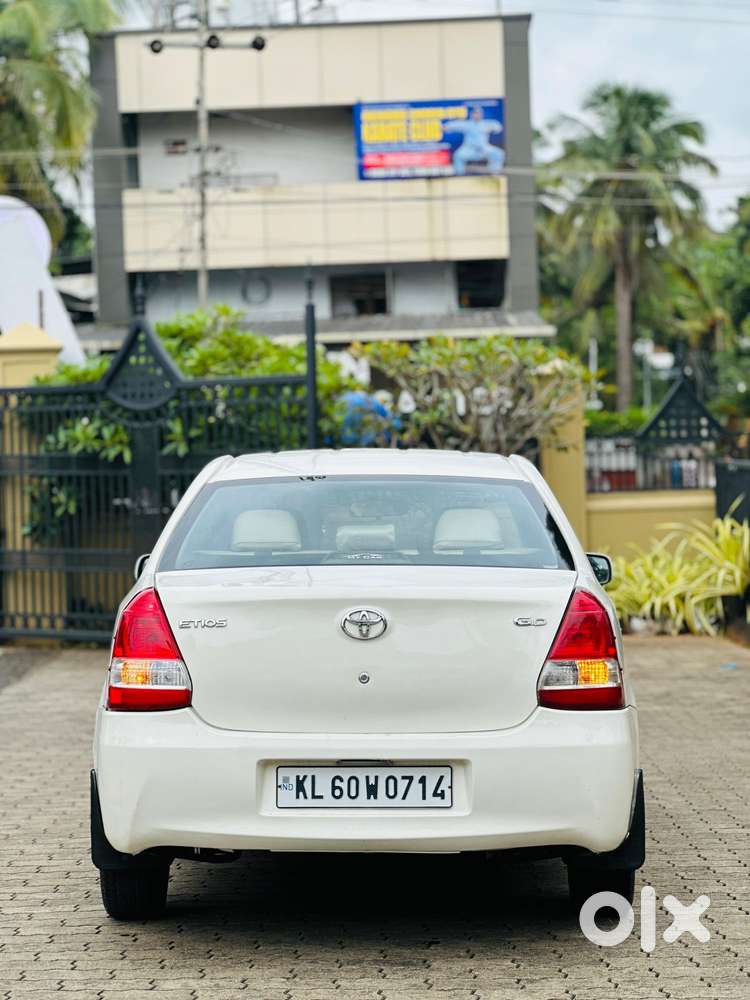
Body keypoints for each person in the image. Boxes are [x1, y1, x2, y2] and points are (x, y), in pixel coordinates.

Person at [444, 106, 504, 175]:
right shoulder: (467, 124)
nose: (477, 115)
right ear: (472, 114)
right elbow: (455, 125)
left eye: (478, 113)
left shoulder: (486, 124)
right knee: (457, 156)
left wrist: (493, 128)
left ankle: (494, 173)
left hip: (483, 149)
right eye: (475, 113)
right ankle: (460, 175)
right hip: (469, 149)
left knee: (499, 153)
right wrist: (447, 126)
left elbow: (498, 126)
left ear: (481, 115)